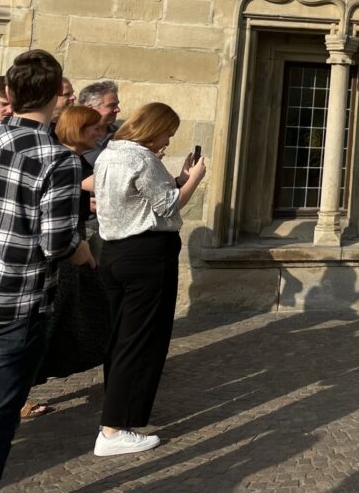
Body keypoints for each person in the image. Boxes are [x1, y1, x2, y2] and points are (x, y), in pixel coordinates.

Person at [0, 51, 91, 484]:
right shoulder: (58, 159)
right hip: (17, 304)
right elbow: (55, 243)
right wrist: (82, 250)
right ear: (57, 96)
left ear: (11, 94)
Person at [95, 102, 206, 457]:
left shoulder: (110, 152)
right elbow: (170, 206)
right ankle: (113, 429)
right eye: (167, 133)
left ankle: (116, 414)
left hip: (113, 253)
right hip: (146, 255)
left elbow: (144, 197)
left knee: (121, 338)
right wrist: (196, 180)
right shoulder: (142, 158)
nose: (168, 141)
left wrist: (178, 179)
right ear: (152, 128)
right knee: (141, 340)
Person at [30, 106, 109, 402]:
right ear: (78, 129)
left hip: (72, 250)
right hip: (64, 254)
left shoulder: (74, 160)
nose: (100, 135)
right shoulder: (63, 159)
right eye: (94, 129)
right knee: (49, 325)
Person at [78, 80, 121, 166]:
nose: (118, 110)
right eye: (111, 105)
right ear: (90, 108)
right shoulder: (73, 135)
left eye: (117, 105)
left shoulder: (121, 135)